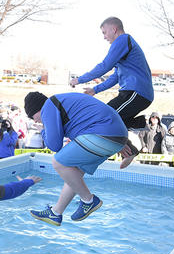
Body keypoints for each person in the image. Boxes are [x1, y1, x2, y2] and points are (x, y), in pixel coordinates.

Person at [25, 91, 127, 226]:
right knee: (73, 174)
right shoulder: (62, 102)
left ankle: (88, 200)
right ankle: (55, 213)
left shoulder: (48, 106)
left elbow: (54, 145)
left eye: (33, 117)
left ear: (37, 109)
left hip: (102, 134)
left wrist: (43, 130)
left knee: (58, 162)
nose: (35, 121)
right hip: (115, 137)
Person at [69, 17, 154, 168]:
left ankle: (130, 146)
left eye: (104, 32)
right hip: (130, 93)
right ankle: (138, 129)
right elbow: (115, 76)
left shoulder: (123, 40)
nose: (104, 37)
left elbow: (104, 65)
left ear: (114, 29)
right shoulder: (124, 49)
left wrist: (79, 79)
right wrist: (95, 90)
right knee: (105, 117)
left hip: (137, 92)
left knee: (107, 118)